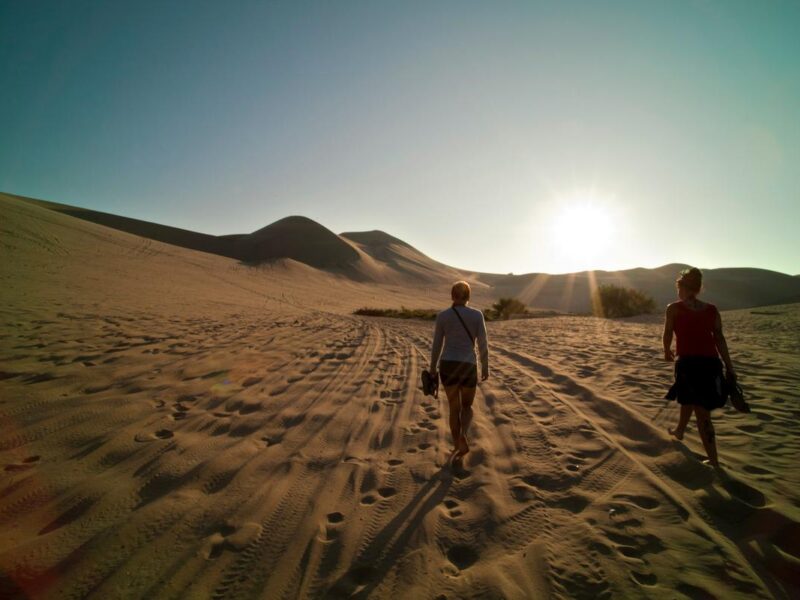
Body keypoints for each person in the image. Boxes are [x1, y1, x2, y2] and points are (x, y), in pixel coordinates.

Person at [662, 267, 736, 467]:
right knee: (688, 398)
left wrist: (666, 350)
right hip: (711, 365)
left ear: (681, 287)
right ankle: (680, 431)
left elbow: (668, 332)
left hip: (688, 365)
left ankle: (714, 462)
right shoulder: (711, 309)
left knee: (701, 411)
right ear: (699, 288)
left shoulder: (674, 308)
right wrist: (729, 366)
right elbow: (719, 339)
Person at [430, 281, 489, 458]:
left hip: (448, 365)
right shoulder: (477, 315)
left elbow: (437, 344)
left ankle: (457, 444)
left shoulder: (443, 316)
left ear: (452, 296)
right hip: (468, 366)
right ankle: (463, 434)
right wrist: (485, 366)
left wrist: (433, 367)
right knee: (467, 406)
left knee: (454, 408)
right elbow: (483, 343)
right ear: (468, 297)